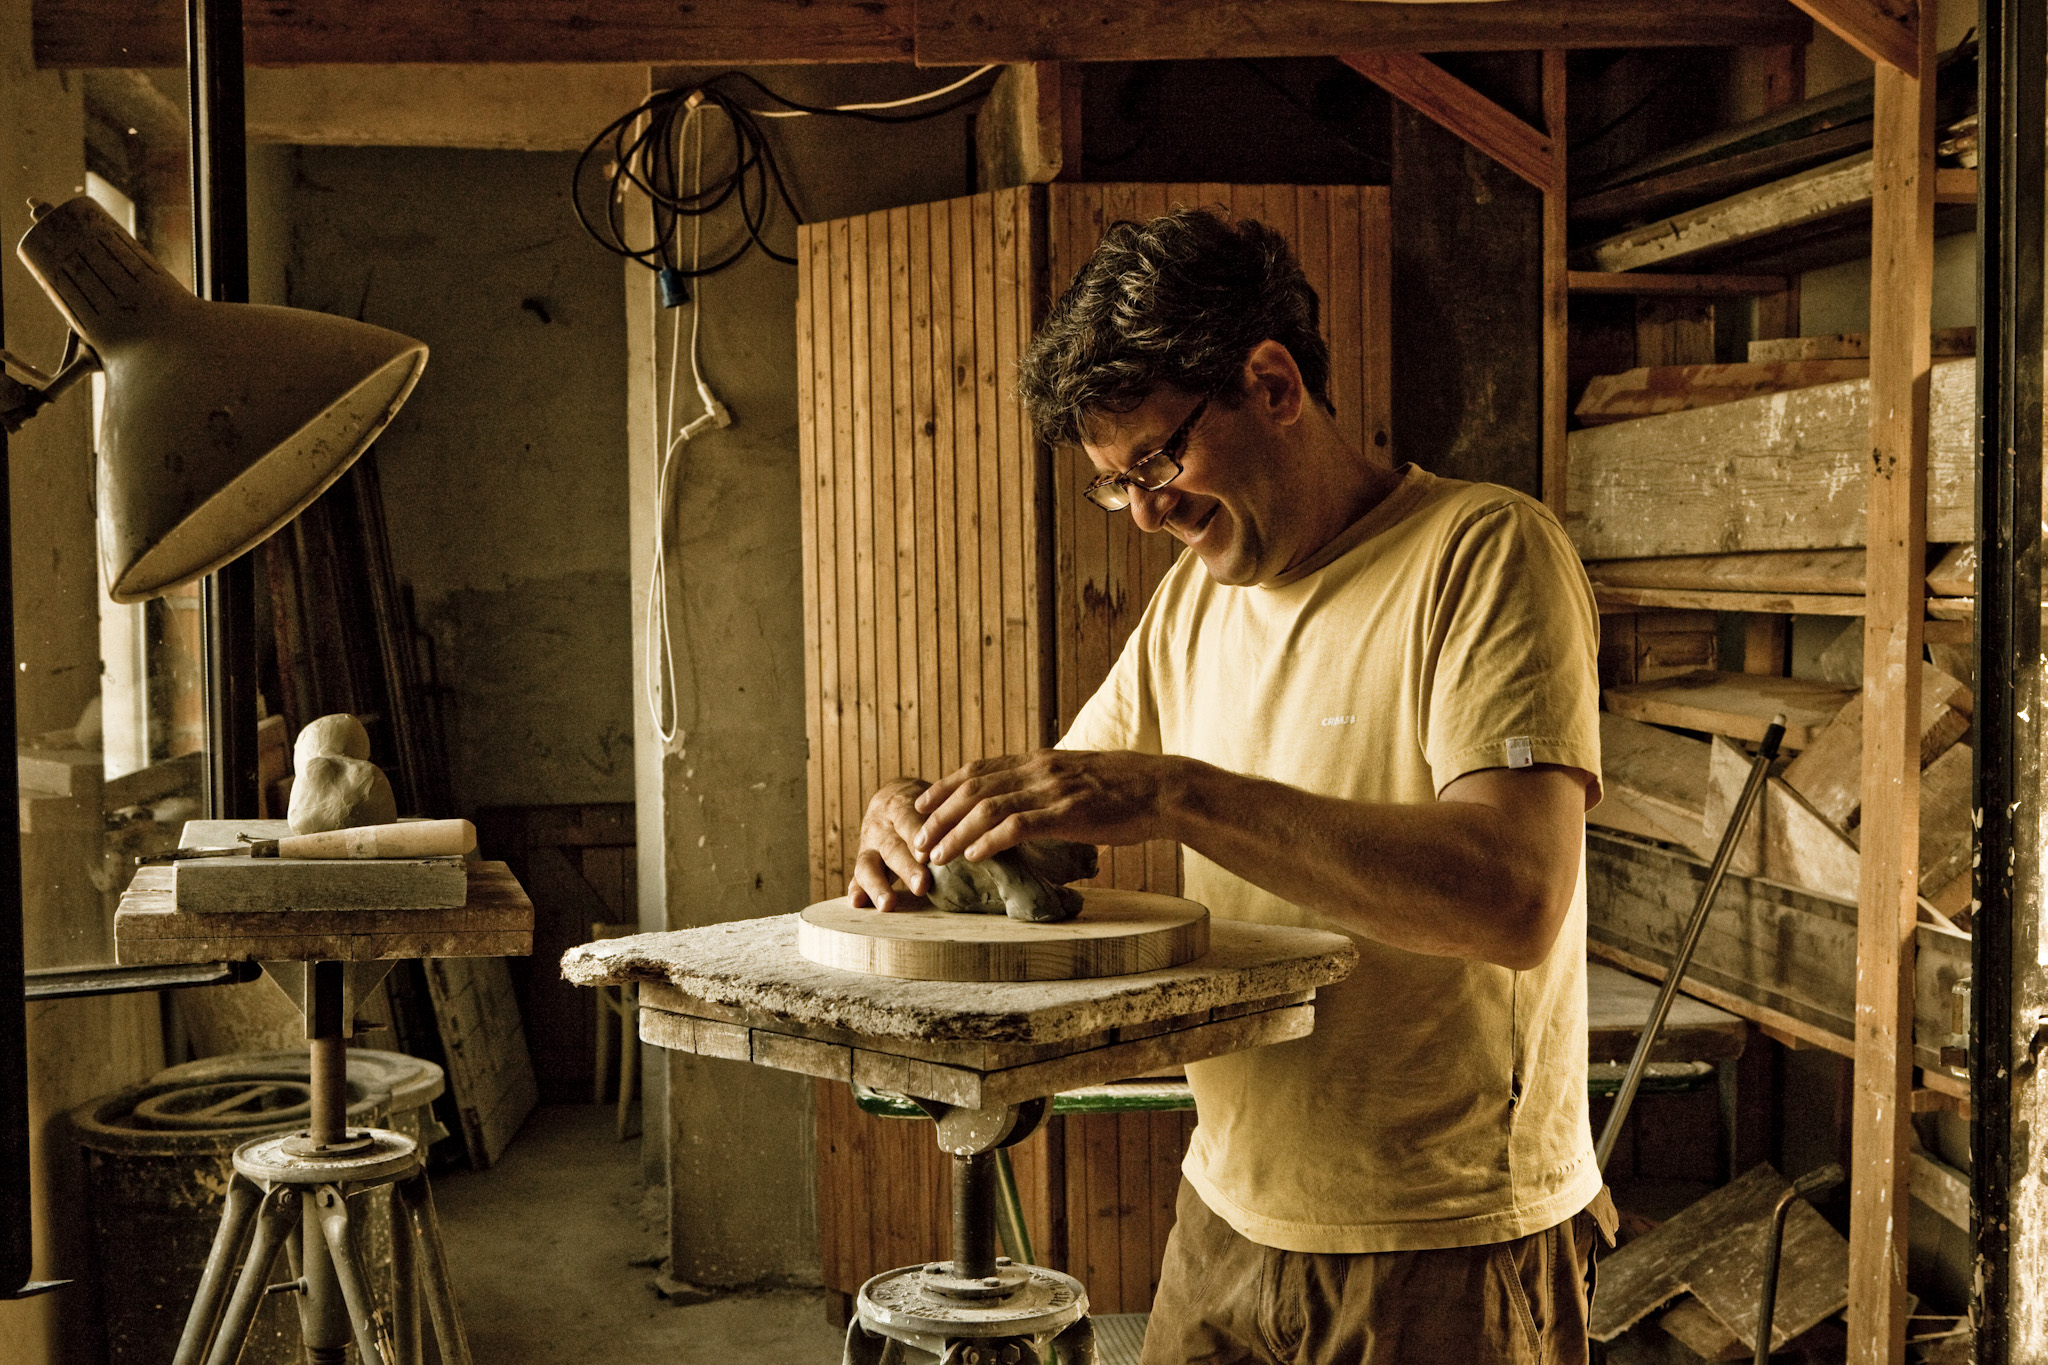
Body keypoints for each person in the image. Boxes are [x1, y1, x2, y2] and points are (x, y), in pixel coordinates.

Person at [850, 207, 1616, 1364]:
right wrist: (922, 815)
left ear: (1269, 384)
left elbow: (1510, 899)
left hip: (1439, 1235)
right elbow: (1064, 820)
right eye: (1117, 486)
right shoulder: (1195, 604)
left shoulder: (1482, 553)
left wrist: (1179, 795)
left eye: (1157, 460)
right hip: (1223, 1212)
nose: (1147, 511)